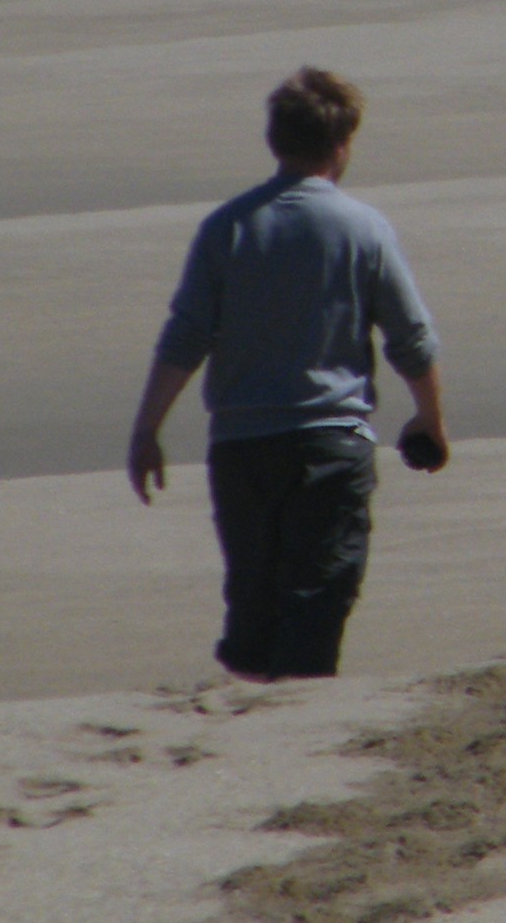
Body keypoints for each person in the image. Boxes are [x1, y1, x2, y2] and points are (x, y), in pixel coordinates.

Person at [126, 67, 448, 680]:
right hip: (330, 441)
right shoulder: (363, 228)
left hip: (242, 445)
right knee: (320, 595)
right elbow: (412, 338)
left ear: (276, 140)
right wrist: (431, 420)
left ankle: (258, 707)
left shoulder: (228, 227)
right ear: (342, 144)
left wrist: (147, 430)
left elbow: (186, 335)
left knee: (254, 596)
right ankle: (293, 721)